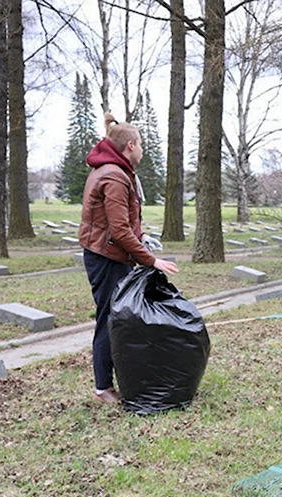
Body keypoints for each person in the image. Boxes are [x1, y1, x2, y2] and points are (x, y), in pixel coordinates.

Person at [79, 113, 179, 405]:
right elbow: (119, 230)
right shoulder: (113, 175)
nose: (144, 150)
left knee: (117, 318)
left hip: (110, 252)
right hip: (107, 256)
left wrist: (142, 235)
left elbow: (122, 221)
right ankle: (102, 387)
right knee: (109, 319)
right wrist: (152, 261)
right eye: (142, 145)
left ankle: (117, 379)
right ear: (131, 145)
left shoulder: (117, 172)